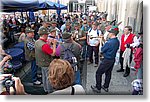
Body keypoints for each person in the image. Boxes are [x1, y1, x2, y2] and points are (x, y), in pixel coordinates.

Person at [91, 26, 120, 93]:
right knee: (108, 73)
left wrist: (101, 41)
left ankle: (98, 88)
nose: (108, 34)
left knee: (98, 73)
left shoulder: (109, 42)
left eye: (109, 33)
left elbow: (102, 50)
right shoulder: (117, 41)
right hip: (112, 59)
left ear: (112, 33)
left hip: (107, 60)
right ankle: (106, 86)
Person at [35, 27, 57, 93]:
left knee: (44, 76)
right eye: (47, 35)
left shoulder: (37, 41)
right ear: (44, 35)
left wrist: (49, 44)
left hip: (40, 62)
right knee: (49, 77)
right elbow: (53, 54)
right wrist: (54, 45)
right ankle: (50, 91)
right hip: (47, 63)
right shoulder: (44, 45)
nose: (48, 36)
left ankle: (45, 89)